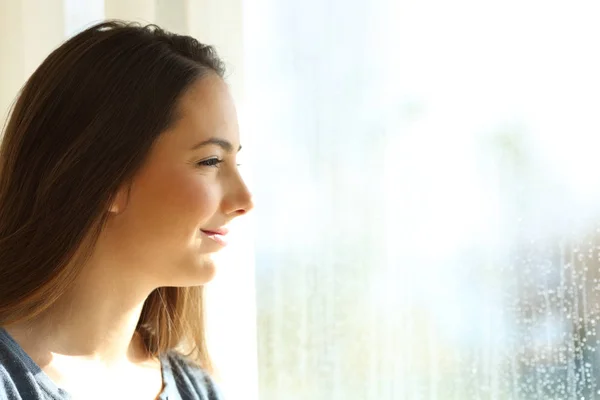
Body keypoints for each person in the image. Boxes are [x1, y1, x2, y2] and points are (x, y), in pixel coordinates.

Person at [0, 20, 253, 400]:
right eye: (210, 161)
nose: (244, 200)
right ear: (104, 179)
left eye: (236, 162)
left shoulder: (198, 390)